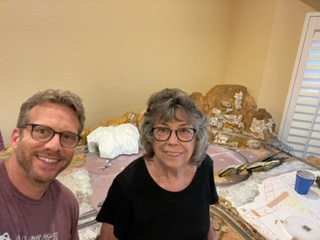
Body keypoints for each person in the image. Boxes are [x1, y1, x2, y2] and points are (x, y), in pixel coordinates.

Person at [96, 88, 219, 240]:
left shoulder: (204, 167)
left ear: (197, 137)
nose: (173, 141)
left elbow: (205, 221)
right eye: (163, 129)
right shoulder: (127, 185)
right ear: (150, 135)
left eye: (184, 130)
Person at [0, 89, 85, 240]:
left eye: (67, 136)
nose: (54, 146)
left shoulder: (67, 204)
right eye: (42, 131)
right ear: (16, 138)